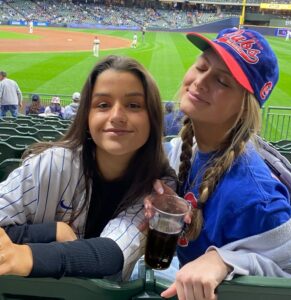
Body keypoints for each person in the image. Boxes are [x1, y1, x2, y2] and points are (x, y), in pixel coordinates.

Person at [145, 28, 291, 299]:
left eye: (223, 82)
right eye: (201, 66)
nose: (200, 82)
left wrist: (225, 260)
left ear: (244, 106)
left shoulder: (255, 197)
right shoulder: (185, 146)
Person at [0, 55, 176, 281]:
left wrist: (24, 254)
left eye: (133, 105)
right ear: (87, 116)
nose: (117, 116)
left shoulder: (159, 189)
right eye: (103, 105)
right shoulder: (52, 163)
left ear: (152, 117)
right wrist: (51, 231)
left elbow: (112, 252)